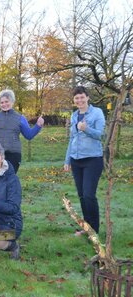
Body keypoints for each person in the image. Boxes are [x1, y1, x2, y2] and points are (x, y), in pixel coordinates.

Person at [64, 86, 105, 235]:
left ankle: (94, 230)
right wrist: (67, 160)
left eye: (82, 97)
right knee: (82, 195)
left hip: (92, 160)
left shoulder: (97, 113)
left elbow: (100, 134)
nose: (79, 100)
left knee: (89, 194)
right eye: (76, 98)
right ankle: (87, 228)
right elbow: (71, 139)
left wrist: (85, 128)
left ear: (87, 97)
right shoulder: (74, 115)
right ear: (74, 100)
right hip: (76, 160)